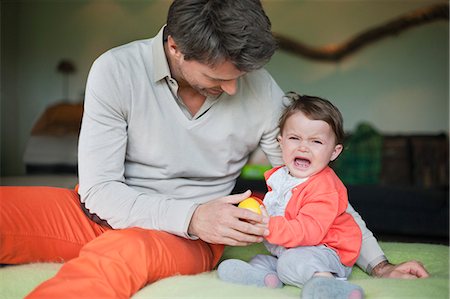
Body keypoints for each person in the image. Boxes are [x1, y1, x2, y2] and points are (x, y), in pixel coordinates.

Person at [0, 1, 428, 298]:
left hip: (191, 236)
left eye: (241, 74)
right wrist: (189, 212)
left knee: (119, 254)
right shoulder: (115, 70)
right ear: (175, 47)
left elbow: (320, 191)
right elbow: (100, 189)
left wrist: (378, 263)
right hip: (94, 212)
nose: (234, 88)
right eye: (217, 77)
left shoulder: (259, 90)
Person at [218, 92, 364, 299]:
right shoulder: (282, 178)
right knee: (263, 260)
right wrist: (257, 212)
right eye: (295, 138)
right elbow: (281, 208)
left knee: (291, 262)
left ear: (334, 152)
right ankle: (264, 278)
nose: (303, 147)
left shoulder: (325, 186)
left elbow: (310, 231)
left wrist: (269, 226)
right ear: (281, 142)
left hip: (328, 252)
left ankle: (327, 283)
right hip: (292, 249)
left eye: (316, 142)